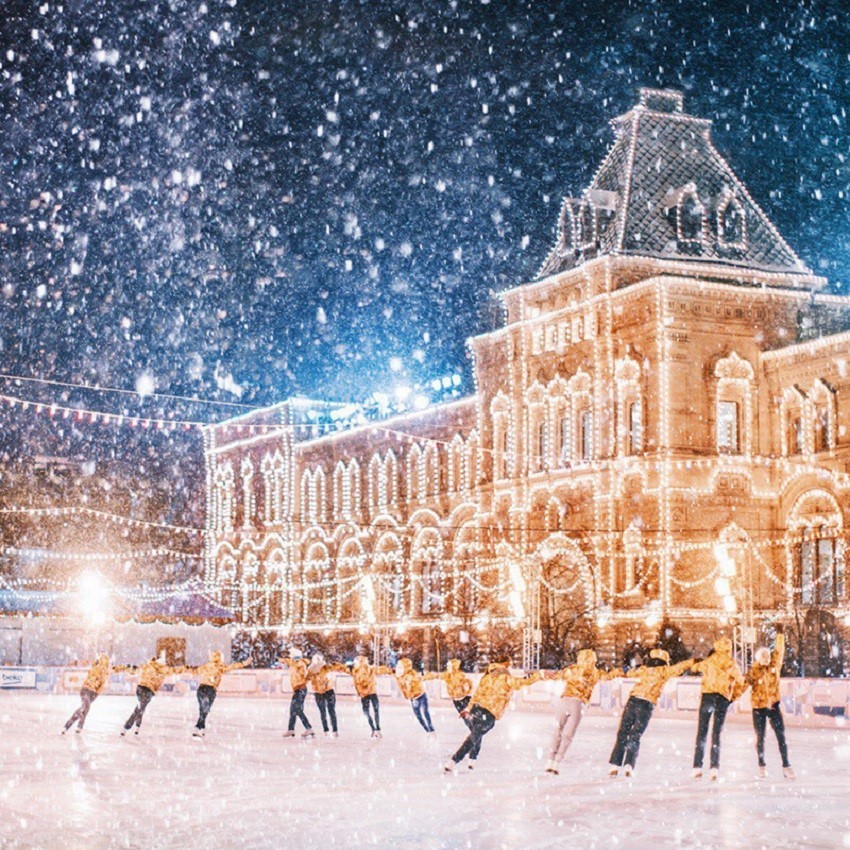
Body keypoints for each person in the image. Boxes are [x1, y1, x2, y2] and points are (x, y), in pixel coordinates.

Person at [443, 658, 541, 773]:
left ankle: (468, 760)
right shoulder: (505, 678)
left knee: (475, 735)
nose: (510, 668)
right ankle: (456, 761)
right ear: (505, 665)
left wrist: (469, 709)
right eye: (510, 665)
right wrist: (540, 675)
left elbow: (476, 695)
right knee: (474, 736)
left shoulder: (487, 676)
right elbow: (522, 682)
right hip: (489, 714)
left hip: (477, 709)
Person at [608, 649, 693, 777]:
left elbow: (628, 672)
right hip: (646, 704)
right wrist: (693, 661)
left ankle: (615, 765)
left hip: (633, 700)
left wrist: (616, 672)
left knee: (623, 733)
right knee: (635, 735)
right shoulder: (664, 671)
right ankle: (629, 765)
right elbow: (680, 667)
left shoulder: (643, 669)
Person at [544, 649, 622, 775]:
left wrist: (543, 674)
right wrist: (619, 671)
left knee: (557, 730)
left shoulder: (572, 669)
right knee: (568, 735)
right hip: (578, 704)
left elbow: (556, 676)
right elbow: (608, 677)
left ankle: (549, 760)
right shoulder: (595, 672)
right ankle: (557, 762)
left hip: (564, 700)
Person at [690, 637, 745, 780]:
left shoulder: (709, 660)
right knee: (716, 733)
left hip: (707, 696)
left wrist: (696, 663)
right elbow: (741, 681)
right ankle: (714, 767)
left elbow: (695, 667)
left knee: (702, 732)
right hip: (721, 698)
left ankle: (697, 767)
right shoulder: (731, 663)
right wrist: (733, 696)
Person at [742, 629, 794, 780]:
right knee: (760, 737)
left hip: (773, 706)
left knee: (781, 736)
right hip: (758, 708)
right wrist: (728, 696)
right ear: (758, 658)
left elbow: (779, 650)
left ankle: (786, 765)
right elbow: (742, 685)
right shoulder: (753, 671)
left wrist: (780, 636)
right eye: (763, 656)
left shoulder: (774, 666)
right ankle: (761, 765)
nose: (766, 658)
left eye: (767, 655)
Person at [187, 651, 251, 739]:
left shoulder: (206, 666)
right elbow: (232, 666)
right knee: (205, 710)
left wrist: (184, 669)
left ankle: (200, 728)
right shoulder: (220, 667)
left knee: (203, 709)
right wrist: (243, 663)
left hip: (202, 689)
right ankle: (199, 728)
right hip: (210, 690)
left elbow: (195, 671)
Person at [120, 654, 186, 736]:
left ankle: (136, 726)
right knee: (139, 709)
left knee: (140, 708)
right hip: (149, 691)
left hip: (140, 688)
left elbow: (136, 670)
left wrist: (127, 668)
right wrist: (184, 668)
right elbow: (175, 671)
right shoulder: (163, 669)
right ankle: (126, 727)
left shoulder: (148, 665)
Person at [62, 654, 120, 734]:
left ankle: (73, 726)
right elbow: (83, 662)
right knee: (86, 707)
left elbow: (118, 669)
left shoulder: (107, 671)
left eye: (105, 662)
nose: (103, 664)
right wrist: (73, 663)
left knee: (84, 708)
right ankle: (72, 726)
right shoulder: (94, 666)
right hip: (86, 689)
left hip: (94, 693)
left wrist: (130, 669)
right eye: (102, 661)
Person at [347, 656, 393, 737]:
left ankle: (375, 729)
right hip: (370, 693)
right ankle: (376, 729)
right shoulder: (363, 669)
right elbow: (381, 670)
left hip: (367, 693)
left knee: (368, 711)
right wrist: (390, 670)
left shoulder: (357, 670)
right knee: (373, 711)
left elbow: (380, 670)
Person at [306, 653, 347, 737]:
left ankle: (330, 730)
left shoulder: (320, 668)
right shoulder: (315, 669)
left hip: (326, 691)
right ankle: (330, 730)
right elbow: (306, 679)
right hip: (322, 691)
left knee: (327, 712)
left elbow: (335, 667)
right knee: (327, 711)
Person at [425, 659, 473, 725]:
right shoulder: (447, 675)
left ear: (454, 667)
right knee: (465, 717)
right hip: (456, 700)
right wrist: (425, 677)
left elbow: (469, 684)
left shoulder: (461, 675)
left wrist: (465, 692)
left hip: (464, 699)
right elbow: (436, 676)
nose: (447, 668)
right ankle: (473, 729)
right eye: (447, 666)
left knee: (469, 716)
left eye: (449, 666)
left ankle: (475, 730)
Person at [395, 657, 435, 736]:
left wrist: (422, 678)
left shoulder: (413, 674)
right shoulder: (399, 675)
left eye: (400, 667)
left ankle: (431, 730)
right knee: (418, 716)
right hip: (413, 698)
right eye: (397, 666)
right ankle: (427, 731)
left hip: (421, 695)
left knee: (425, 712)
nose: (397, 668)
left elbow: (422, 678)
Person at [280, 648, 315, 738]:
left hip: (300, 689)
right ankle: (291, 729)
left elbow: (291, 662)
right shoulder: (296, 663)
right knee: (293, 710)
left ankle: (309, 728)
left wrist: (282, 659)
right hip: (298, 689)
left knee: (297, 709)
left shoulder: (299, 663)